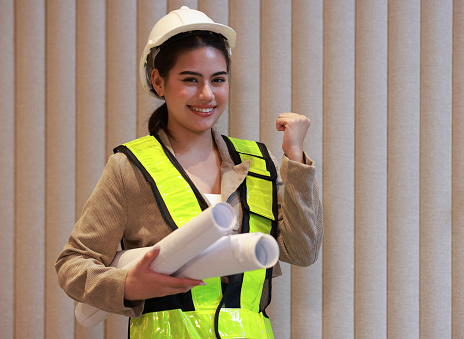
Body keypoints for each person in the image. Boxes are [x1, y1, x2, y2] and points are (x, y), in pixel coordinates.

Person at [56, 6, 323, 339]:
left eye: (218, 80)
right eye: (190, 80)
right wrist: (128, 284)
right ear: (158, 81)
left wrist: (295, 159)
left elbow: (302, 251)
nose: (207, 94)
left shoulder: (257, 162)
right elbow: (73, 263)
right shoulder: (130, 168)